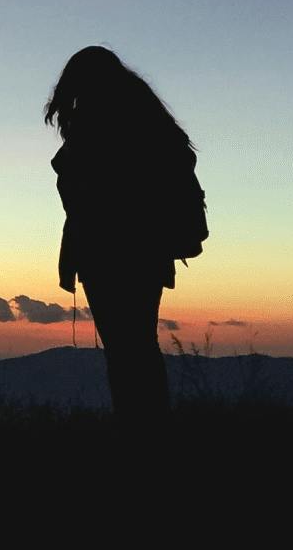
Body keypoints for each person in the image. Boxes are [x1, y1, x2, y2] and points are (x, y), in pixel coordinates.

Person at [46, 46, 206, 420]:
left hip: (108, 251)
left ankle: (139, 432)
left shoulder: (97, 120)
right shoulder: (146, 117)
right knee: (138, 345)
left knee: (124, 350)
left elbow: (86, 190)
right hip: (148, 251)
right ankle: (149, 429)